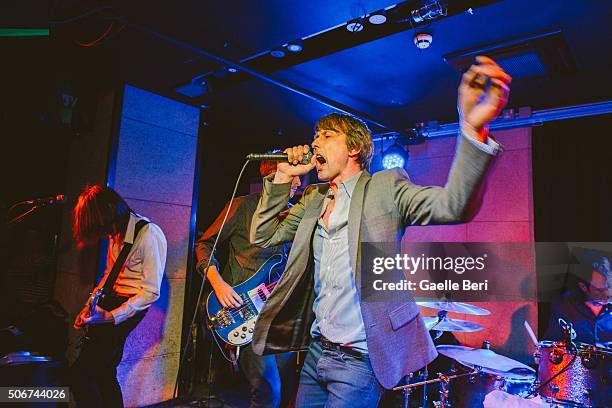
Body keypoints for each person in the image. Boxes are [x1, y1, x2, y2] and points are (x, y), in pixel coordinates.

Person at [249, 56, 511, 407]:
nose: (315, 144)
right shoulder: (313, 199)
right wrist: (281, 179)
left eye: (326, 136)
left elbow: (454, 205)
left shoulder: (386, 187)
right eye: (314, 136)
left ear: (354, 148)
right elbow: (263, 237)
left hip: (360, 359)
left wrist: (470, 128)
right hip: (316, 353)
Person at [195, 160, 301, 408]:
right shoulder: (243, 206)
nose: (298, 182)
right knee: (268, 391)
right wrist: (218, 283)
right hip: (244, 311)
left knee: (287, 390)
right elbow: (204, 244)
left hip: (279, 315)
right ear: (274, 177)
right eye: (293, 175)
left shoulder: (294, 214)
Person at [71, 185, 167, 408]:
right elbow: (109, 274)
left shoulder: (149, 234)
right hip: (110, 301)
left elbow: (151, 291)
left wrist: (112, 316)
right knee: (104, 372)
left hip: (129, 305)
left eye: (105, 228)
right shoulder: (116, 232)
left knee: (81, 375)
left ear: (111, 210)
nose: (107, 235)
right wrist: (89, 306)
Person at [544, 254, 611, 346]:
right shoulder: (563, 307)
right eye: (600, 290)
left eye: (609, 287)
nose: (608, 294)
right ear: (583, 287)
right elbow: (552, 347)